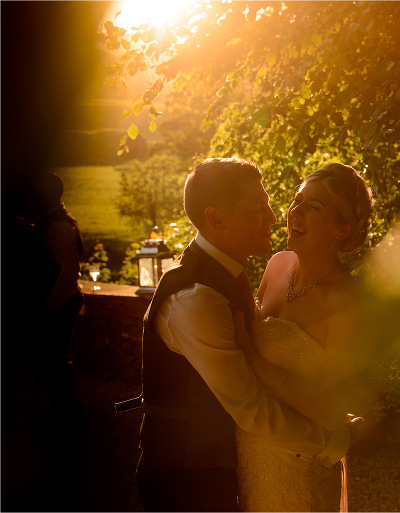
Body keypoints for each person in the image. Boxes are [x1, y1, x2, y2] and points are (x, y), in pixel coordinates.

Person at [135, 157, 356, 512]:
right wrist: (331, 442)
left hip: (245, 467)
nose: (273, 216)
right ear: (216, 219)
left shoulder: (231, 273)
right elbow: (251, 409)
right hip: (189, 481)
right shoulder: (196, 298)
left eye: (269, 204)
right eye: (258, 208)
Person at [234, 163, 377, 512]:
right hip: (248, 454)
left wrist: (252, 358)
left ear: (343, 228)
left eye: (313, 207)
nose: (295, 211)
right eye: (297, 200)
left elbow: (332, 410)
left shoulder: (346, 299)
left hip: (300, 466)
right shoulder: (277, 265)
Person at [27, 172, 88, 437]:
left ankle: (70, 419)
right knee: (52, 361)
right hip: (60, 303)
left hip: (60, 304)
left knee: (54, 361)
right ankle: (66, 416)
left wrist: (50, 306)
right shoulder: (52, 222)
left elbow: (68, 272)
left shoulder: (58, 226)